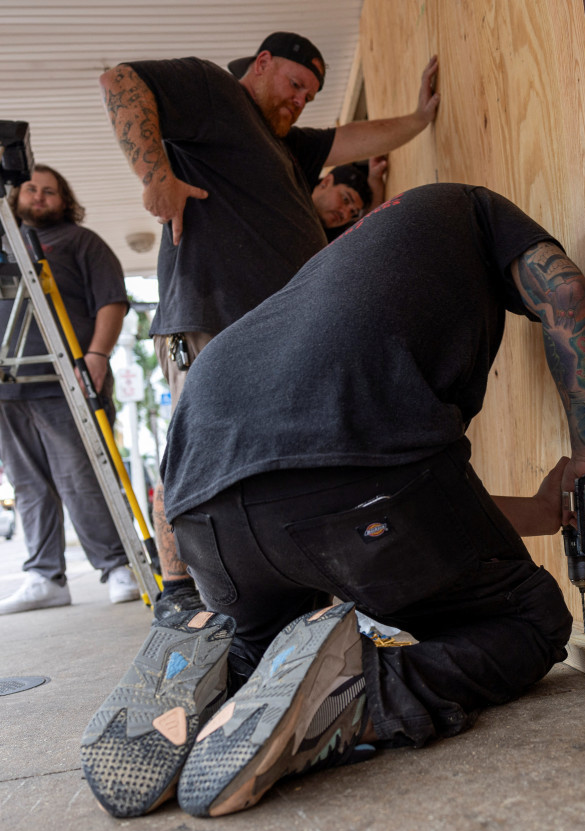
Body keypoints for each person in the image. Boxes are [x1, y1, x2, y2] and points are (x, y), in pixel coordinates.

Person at [79, 183, 585, 818]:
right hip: (359, 498)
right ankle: (363, 694)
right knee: (529, 622)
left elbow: (395, 497)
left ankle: (212, 656)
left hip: (206, 514)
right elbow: (566, 293)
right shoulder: (471, 208)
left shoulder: (320, 283)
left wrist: (178, 589)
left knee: (265, 646)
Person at [98, 33, 439, 595]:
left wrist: (421, 120)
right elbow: (121, 81)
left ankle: (281, 595)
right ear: (260, 64)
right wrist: (155, 175)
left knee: (280, 467)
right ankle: (180, 596)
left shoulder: (288, 148)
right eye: (295, 84)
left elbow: (356, 137)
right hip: (212, 318)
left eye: (310, 95)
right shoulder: (217, 95)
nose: (300, 100)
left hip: (277, 336)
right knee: (196, 453)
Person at [0, 165, 140, 615]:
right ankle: (44, 578)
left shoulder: (81, 242)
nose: (39, 197)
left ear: (64, 200)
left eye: (49, 191)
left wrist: (96, 355)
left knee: (81, 477)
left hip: (61, 379)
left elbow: (111, 301)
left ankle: (117, 566)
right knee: (27, 485)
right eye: (31, 189)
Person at [315, 155, 389, 238]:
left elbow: (367, 227)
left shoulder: (330, 238)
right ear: (326, 182)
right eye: (345, 199)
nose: (345, 214)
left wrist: (375, 178)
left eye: (352, 212)